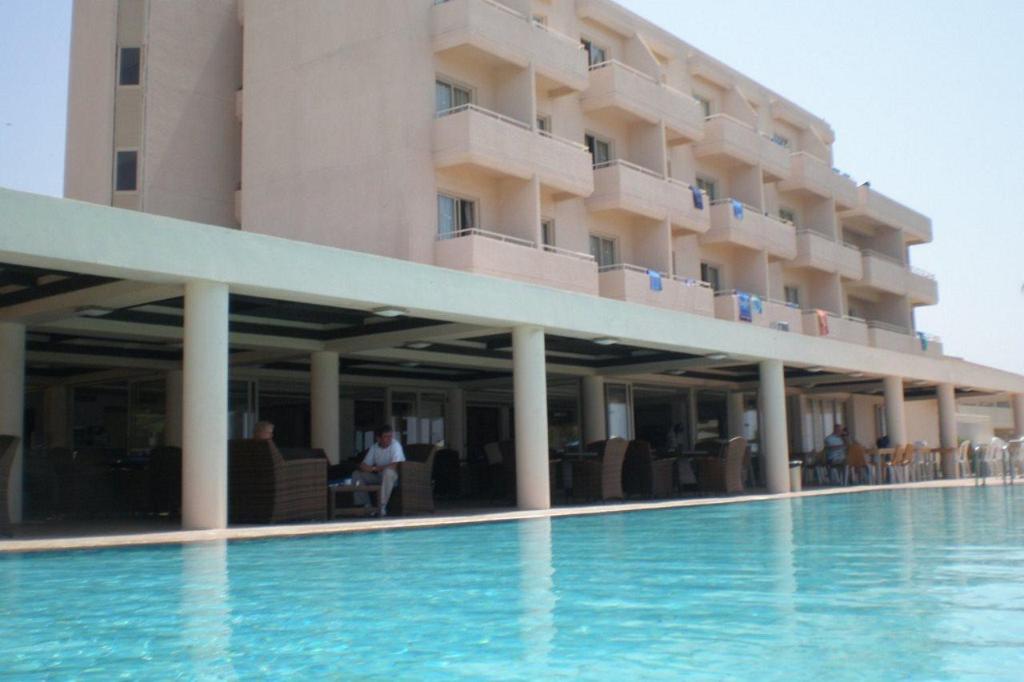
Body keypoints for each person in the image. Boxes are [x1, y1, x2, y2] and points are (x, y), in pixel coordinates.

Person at [352, 424, 405, 516]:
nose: (389, 439)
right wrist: (369, 468)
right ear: (378, 438)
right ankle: (367, 507)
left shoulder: (395, 445)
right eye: (386, 437)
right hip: (379, 476)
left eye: (390, 436)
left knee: (388, 472)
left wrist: (374, 468)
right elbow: (363, 465)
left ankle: (381, 506)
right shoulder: (374, 447)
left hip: (394, 478)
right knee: (356, 474)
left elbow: (394, 465)